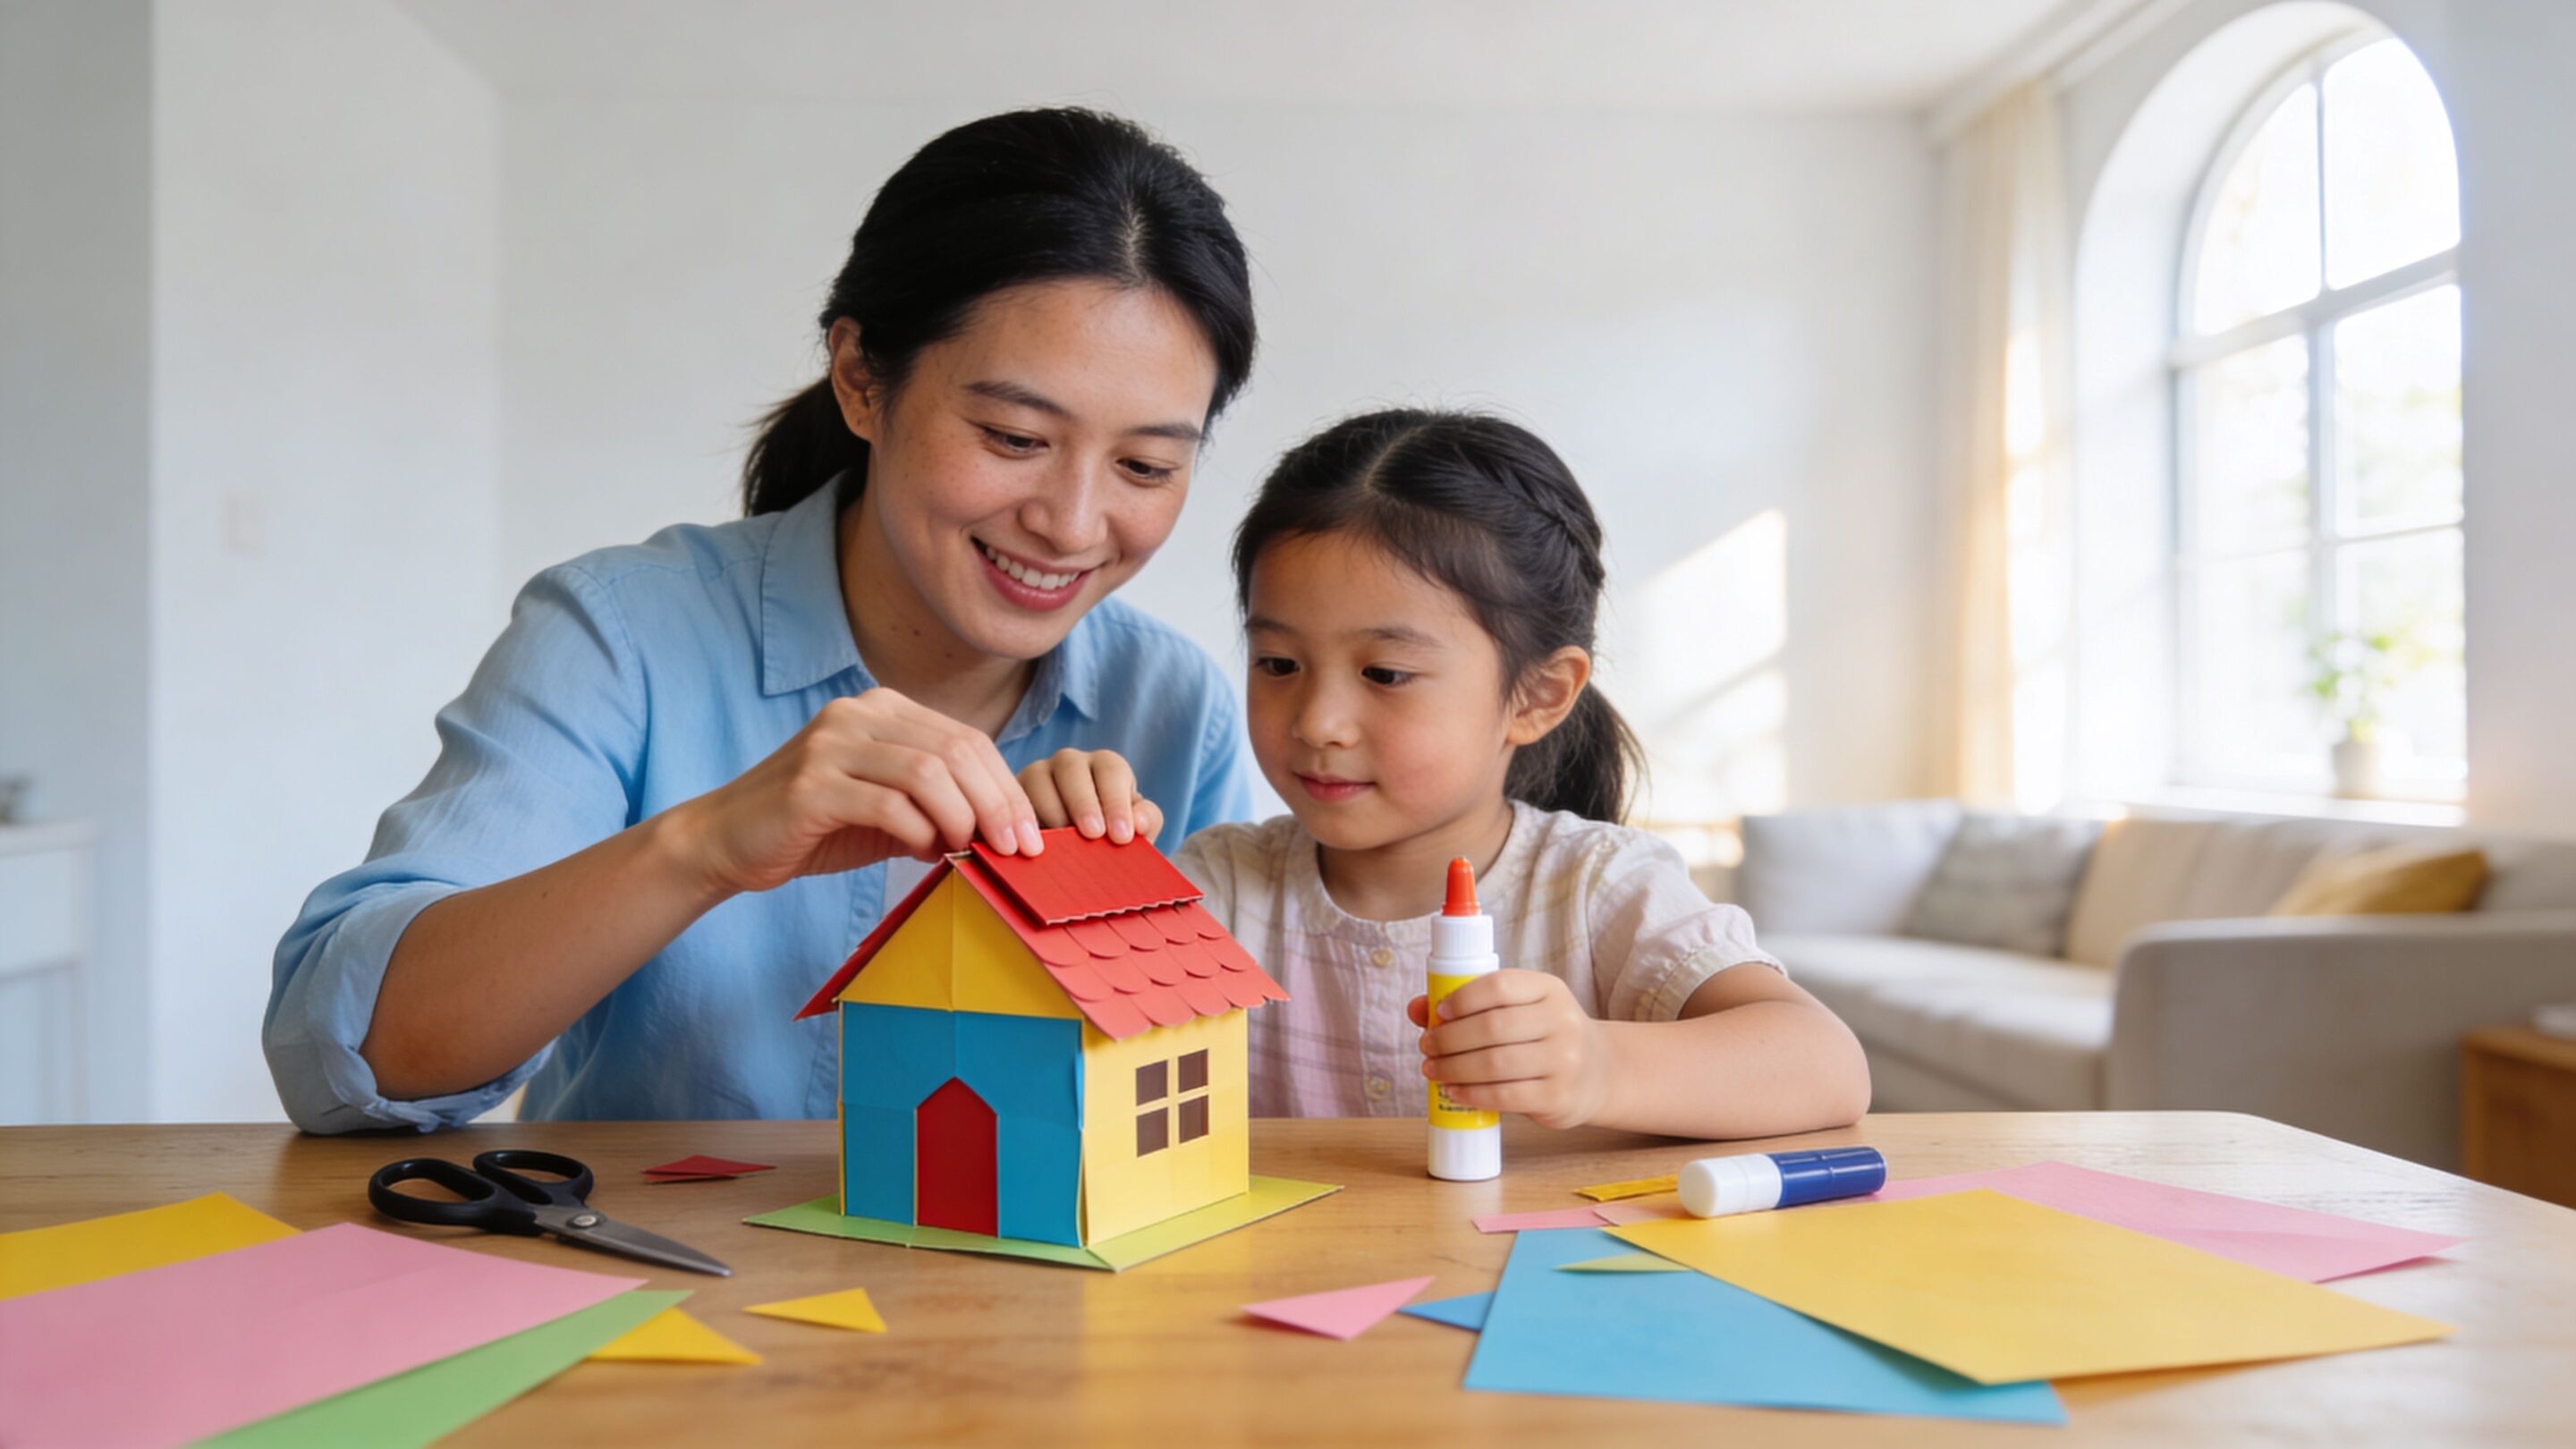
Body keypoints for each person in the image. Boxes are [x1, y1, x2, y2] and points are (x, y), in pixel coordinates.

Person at [266, 108, 1259, 1132]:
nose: (1072, 524)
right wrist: (705, 847)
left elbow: (1241, 1083)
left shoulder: (1176, 708)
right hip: (655, 1279)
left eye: (1146, 466)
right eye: (1013, 436)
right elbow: (341, 1056)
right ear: (861, 381)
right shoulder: (621, 634)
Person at [1020, 410, 1869, 1139]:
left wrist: (1601, 1066)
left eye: (1385, 675)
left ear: (1536, 696)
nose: (1317, 721)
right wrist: (1056, 875)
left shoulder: (1599, 889)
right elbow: (1039, 1066)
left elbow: (1825, 1066)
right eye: (1278, 662)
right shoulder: (1218, 889)